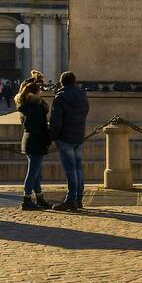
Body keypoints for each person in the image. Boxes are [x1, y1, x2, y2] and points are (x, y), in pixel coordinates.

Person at [49, 71, 90, 211]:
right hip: (78, 135)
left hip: (65, 137)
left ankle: (71, 199)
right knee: (78, 168)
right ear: (74, 81)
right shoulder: (82, 95)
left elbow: (56, 121)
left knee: (70, 170)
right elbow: (85, 112)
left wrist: (52, 136)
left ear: (61, 82)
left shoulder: (60, 97)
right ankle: (78, 198)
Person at [16, 72, 52, 211]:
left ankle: (39, 198)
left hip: (29, 140)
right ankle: (26, 200)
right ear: (35, 93)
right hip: (36, 142)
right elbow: (39, 128)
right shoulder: (36, 108)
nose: (41, 92)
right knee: (32, 173)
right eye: (39, 91)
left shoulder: (26, 106)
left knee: (36, 173)